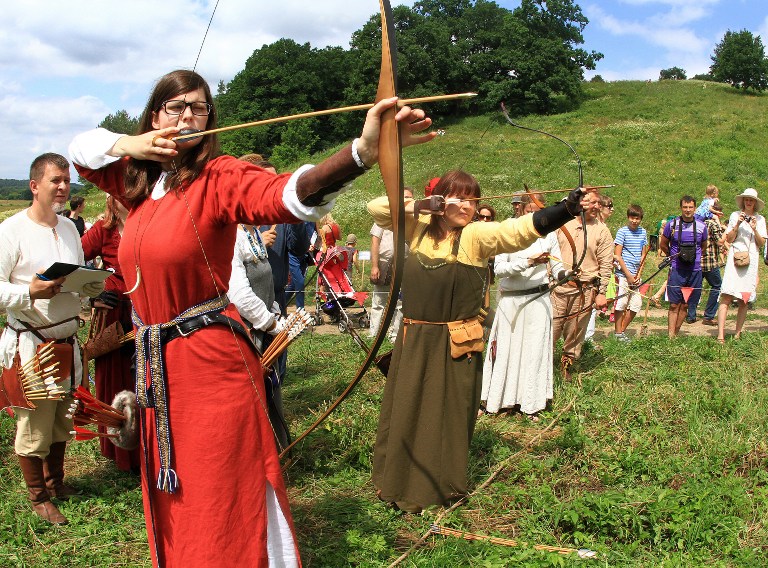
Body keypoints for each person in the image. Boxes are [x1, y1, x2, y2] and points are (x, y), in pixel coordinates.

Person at [68, 69, 434, 566]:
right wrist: (132, 143)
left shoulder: (217, 177)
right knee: (175, 489)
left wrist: (361, 153)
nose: (186, 115)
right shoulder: (139, 183)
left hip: (209, 363)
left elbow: (285, 194)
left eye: (197, 107)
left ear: (209, 119)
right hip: (160, 366)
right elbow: (80, 149)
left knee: (220, 488)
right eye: (174, 107)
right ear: (155, 116)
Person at [369, 169, 584, 513]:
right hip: (415, 340)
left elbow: (516, 232)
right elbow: (378, 208)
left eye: (474, 199)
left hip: (455, 342)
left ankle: (435, 489)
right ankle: (394, 481)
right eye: (460, 198)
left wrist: (564, 210)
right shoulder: (417, 228)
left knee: (444, 415)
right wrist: (423, 205)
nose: (469, 206)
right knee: (407, 407)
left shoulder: (476, 236)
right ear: (441, 200)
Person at [0, 153, 103, 524]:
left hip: (65, 339)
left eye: (66, 180)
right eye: (55, 181)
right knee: (35, 424)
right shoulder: (11, 231)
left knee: (61, 417)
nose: (63, 187)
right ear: (34, 186)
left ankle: (56, 482)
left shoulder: (70, 229)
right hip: (31, 343)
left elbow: (76, 277)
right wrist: (31, 292)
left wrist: (89, 287)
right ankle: (38, 496)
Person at [481, 196, 562, 420]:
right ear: (522, 210)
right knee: (507, 349)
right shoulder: (508, 231)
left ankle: (531, 404)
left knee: (533, 352)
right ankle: (499, 401)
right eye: (531, 210)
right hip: (512, 302)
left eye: (539, 211)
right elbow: (499, 270)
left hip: (539, 300)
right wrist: (528, 262)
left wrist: (568, 275)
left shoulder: (550, 234)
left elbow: (558, 266)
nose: (536, 215)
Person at [80, 195, 140, 472]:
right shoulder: (103, 229)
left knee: (147, 376)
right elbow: (71, 262)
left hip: (148, 309)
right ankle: (121, 452)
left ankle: (151, 445)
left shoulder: (148, 220)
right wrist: (92, 294)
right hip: (115, 312)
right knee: (116, 376)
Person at [551, 192, 613, 378]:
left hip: (584, 291)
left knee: (575, 334)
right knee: (550, 331)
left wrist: (601, 292)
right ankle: (542, 371)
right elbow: (549, 253)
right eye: (592, 202)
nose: (597, 206)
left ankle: (566, 368)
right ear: (581, 203)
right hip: (558, 288)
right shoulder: (563, 224)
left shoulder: (602, 230)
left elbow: (606, 264)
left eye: (599, 204)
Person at [716, 188, 767, 343]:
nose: (749, 202)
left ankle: (738, 333)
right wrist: (737, 224)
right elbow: (729, 239)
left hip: (751, 261)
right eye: (746, 199)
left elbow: (762, 243)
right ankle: (720, 335)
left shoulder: (760, 220)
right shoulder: (734, 215)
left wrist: (753, 228)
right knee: (726, 296)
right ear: (743, 201)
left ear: (755, 203)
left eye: (751, 200)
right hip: (735, 258)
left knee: (744, 299)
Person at [369, 187, 413, 342]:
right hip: (384, 263)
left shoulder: (413, 219)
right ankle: (374, 335)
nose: (407, 200)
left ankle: (394, 335)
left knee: (401, 303)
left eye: (410, 197)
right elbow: (375, 241)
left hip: (405, 265)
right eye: (404, 197)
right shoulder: (385, 216)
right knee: (379, 302)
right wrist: (374, 266)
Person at [659, 196, 708, 338]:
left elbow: (704, 246)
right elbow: (663, 243)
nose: (687, 210)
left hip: (695, 270)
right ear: (681, 208)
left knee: (686, 304)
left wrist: (694, 257)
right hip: (677, 269)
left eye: (690, 207)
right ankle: (670, 337)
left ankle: (676, 333)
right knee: (674, 304)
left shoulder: (701, 226)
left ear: (695, 208)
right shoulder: (672, 224)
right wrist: (673, 256)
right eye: (685, 207)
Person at [613, 204, 649, 341]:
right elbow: (617, 255)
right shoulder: (622, 232)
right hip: (623, 274)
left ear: (641, 219)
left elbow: (643, 255)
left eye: (637, 218)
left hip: (636, 274)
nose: (634, 221)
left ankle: (622, 330)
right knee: (621, 303)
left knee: (636, 305)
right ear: (628, 217)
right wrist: (628, 274)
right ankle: (617, 333)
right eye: (632, 218)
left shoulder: (643, 232)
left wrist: (638, 274)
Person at [690, 202, 728, 326]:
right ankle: (709, 315)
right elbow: (720, 242)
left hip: (696, 261)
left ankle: (691, 315)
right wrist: (723, 228)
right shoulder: (712, 224)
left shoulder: (698, 223)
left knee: (695, 287)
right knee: (717, 286)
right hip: (709, 262)